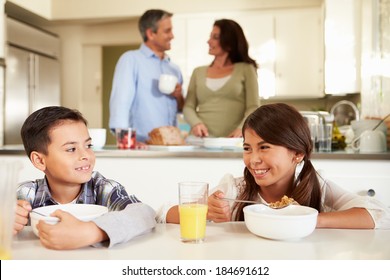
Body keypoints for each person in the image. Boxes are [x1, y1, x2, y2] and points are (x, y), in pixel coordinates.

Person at [163, 103, 390, 229]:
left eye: (264, 148)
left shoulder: (316, 186)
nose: (253, 159)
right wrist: (205, 211)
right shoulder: (234, 189)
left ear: (298, 153)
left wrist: (306, 220)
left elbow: (379, 214)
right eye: (247, 148)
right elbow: (164, 213)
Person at [14, 106, 156, 250]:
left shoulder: (104, 189)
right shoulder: (24, 194)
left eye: (88, 145)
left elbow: (144, 214)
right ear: (40, 161)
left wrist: (93, 231)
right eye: (71, 149)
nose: (86, 155)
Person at [109, 9, 184, 143]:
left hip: (171, 144)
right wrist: (127, 142)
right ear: (150, 34)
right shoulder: (131, 60)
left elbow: (181, 110)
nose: (172, 36)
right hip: (141, 144)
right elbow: (120, 104)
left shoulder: (174, 69)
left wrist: (179, 97)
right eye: (167, 31)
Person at [183, 19, 260, 138]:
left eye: (215, 37)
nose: (208, 41)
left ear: (229, 43)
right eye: (210, 37)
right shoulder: (198, 72)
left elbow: (253, 106)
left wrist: (241, 129)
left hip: (233, 140)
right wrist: (196, 123)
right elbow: (188, 106)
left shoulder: (246, 69)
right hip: (200, 140)